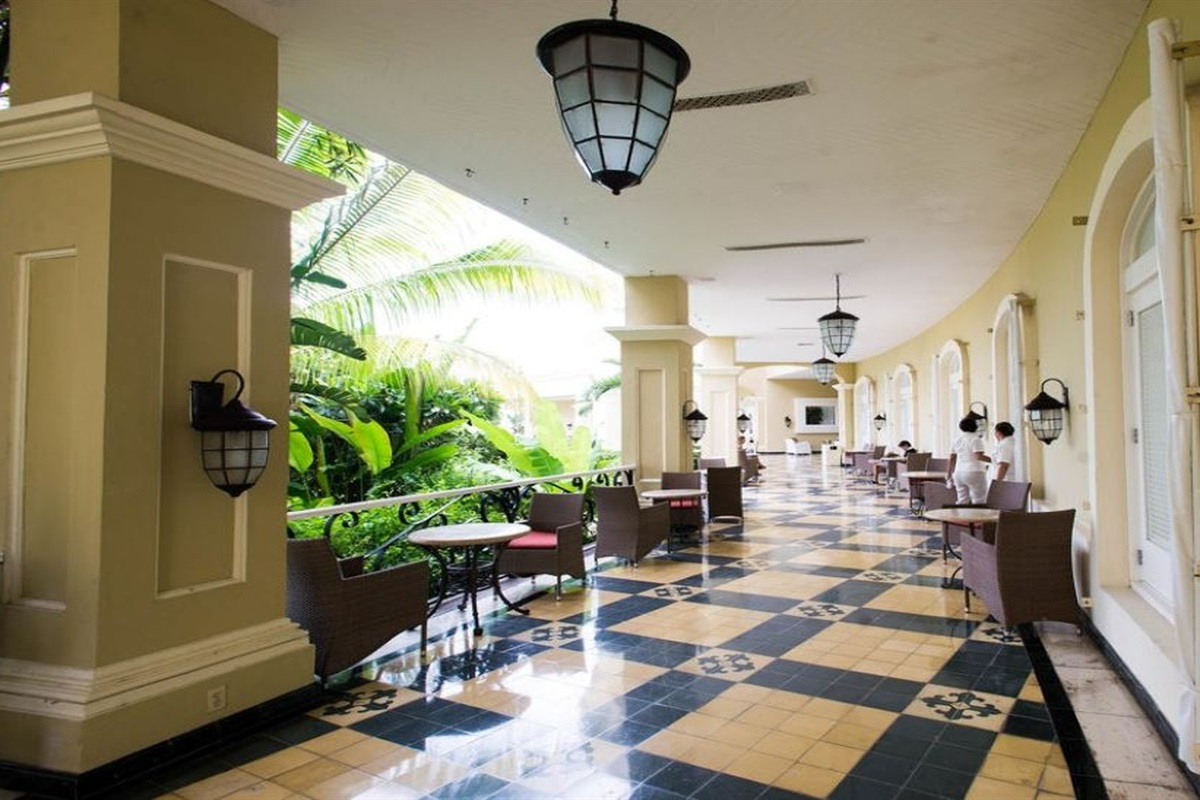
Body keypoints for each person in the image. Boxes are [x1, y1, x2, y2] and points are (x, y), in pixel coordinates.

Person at [947, 415, 987, 503]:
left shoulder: (956, 440)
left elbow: (952, 458)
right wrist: (993, 460)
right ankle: (978, 516)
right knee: (979, 499)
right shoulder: (976, 439)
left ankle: (962, 516)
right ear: (975, 427)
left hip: (959, 472)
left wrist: (949, 474)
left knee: (962, 499)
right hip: (975, 471)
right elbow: (978, 456)